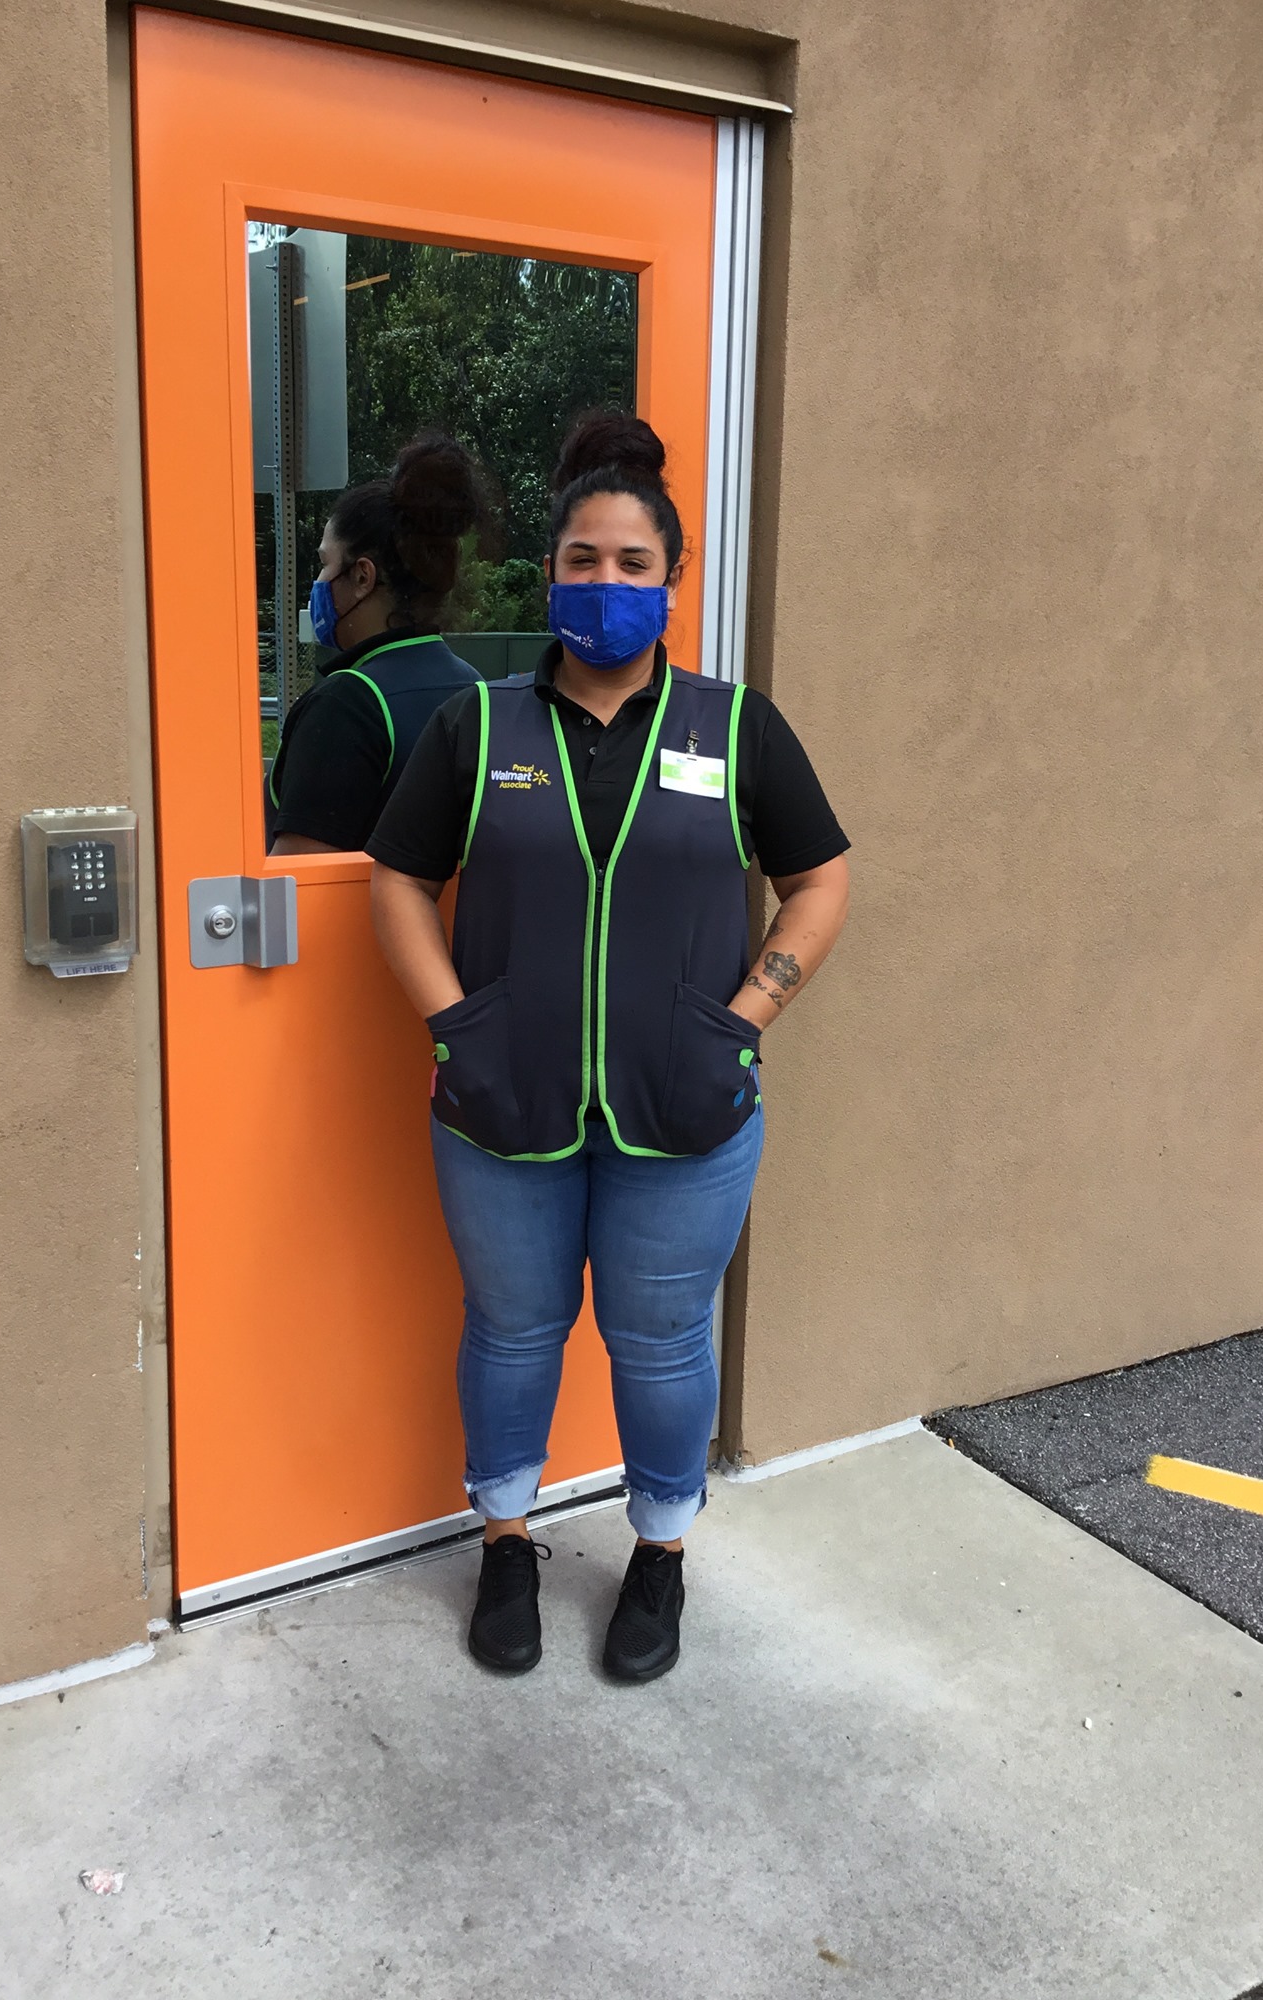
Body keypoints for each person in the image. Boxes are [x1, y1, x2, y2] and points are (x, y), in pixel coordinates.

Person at [368, 411, 851, 1682]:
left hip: (685, 1111)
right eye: (582, 559)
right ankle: (507, 1541)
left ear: (672, 579)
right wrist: (453, 1023)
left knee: (663, 1343)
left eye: (633, 563)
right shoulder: (478, 728)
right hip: (500, 1104)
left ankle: (660, 1551)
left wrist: (743, 1018)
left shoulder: (735, 728)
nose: (606, 583)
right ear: (549, 574)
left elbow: (820, 880)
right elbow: (397, 880)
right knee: (512, 1330)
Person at [268, 433, 487, 855]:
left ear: (362, 577)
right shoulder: (472, 687)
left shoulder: (345, 704)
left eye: (325, 564)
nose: (319, 582)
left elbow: (298, 876)